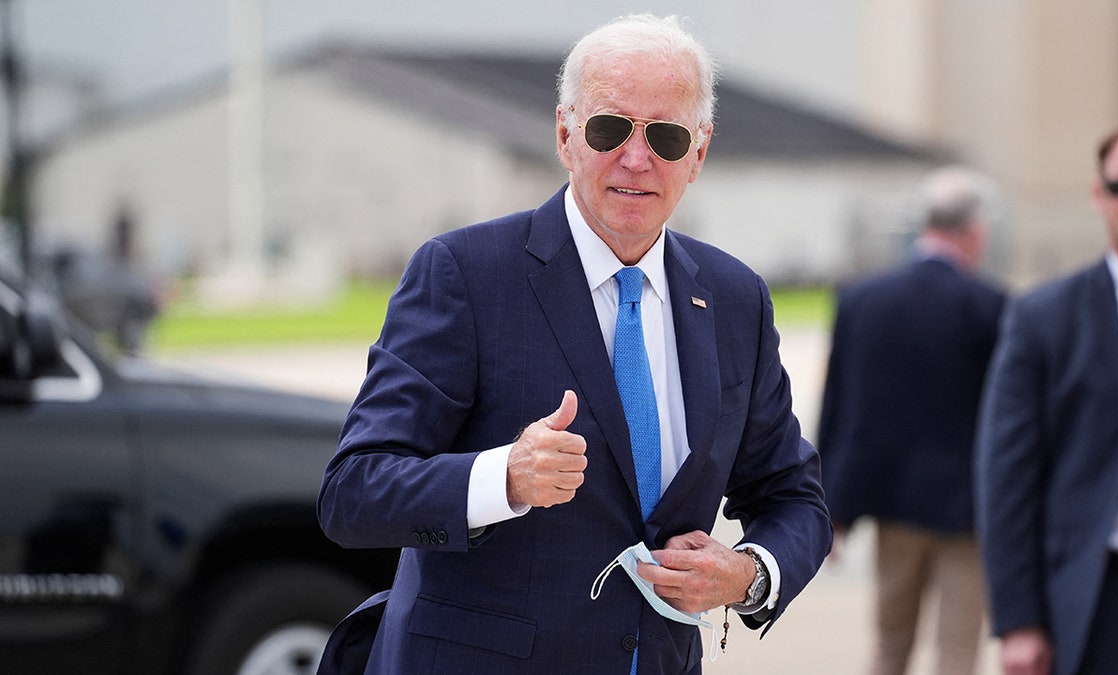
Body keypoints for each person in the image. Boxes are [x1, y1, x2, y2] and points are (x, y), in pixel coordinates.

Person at [315, 13, 832, 674]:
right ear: (566, 134)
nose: (637, 158)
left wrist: (748, 574)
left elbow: (794, 496)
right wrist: (502, 476)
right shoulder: (465, 275)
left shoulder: (736, 300)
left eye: (666, 136)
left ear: (698, 153)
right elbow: (352, 493)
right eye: (610, 128)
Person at [976, 120, 1118, 675]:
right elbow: (1007, 478)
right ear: (1100, 196)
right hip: (1110, 600)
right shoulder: (1044, 318)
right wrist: (1020, 620)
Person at [817, 166, 1006, 675]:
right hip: (968, 511)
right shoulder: (989, 306)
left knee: (888, 649)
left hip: (891, 505)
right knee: (958, 657)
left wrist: (831, 506)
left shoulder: (861, 300)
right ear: (973, 232)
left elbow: (839, 404)